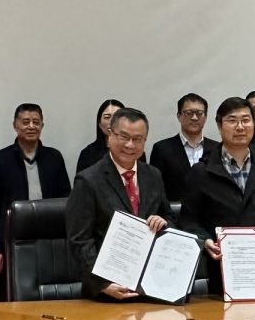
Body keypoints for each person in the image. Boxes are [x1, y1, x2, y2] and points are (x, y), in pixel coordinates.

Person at [179, 97, 255, 294]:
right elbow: (188, 220)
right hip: (222, 266)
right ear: (219, 125)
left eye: (245, 120)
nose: (240, 127)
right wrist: (205, 240)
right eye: (232, 120)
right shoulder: (201, 172)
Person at [65, 108, 174, 300]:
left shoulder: (153, 175)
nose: (130, 145)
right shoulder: (88, 180)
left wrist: (163, 222)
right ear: (109, 136)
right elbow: (80, 240)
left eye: (138, 139)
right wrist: (102, 284)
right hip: (106, 293)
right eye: (124, 136)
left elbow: (169, 218)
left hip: (149, 289)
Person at [0, 103, 71, 300]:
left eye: (36, 122)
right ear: (15, 126)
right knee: (10, 292)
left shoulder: (54, 158)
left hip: (49, 239)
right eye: (25, 122)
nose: (31, 126)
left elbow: (66, 200)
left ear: (42, 126)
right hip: (12, 238)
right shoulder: (0, 159)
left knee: (49, 292)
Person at [148, 93, 220, 203]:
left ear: (205, 117)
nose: (194, 117)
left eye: (199, 113)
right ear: (179, 116)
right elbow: (155, 189)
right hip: (175, 215)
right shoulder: (162, 149)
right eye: (189, 113)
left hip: (211, 215)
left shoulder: (217, 149)